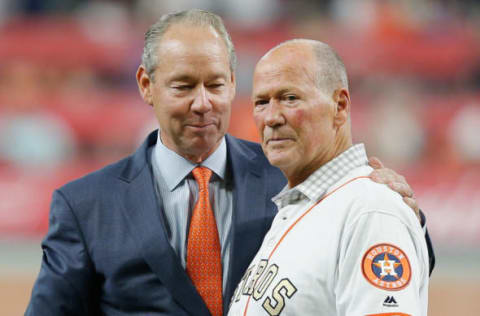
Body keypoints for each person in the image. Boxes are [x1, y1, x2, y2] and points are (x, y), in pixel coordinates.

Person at [26, 10, 433, 316]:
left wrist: (407, 216)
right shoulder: (86, 206)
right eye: (184, 86)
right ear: (147, 86)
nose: (203, 103)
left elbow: (384, 260)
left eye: (216, 84)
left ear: (234, 82)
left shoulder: (295, 175)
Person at [227, 39, 429, 316]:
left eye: (290, 98)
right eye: (261, 102)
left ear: (340, 105)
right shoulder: (293, 209)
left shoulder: (369, 209)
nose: (271, 117)